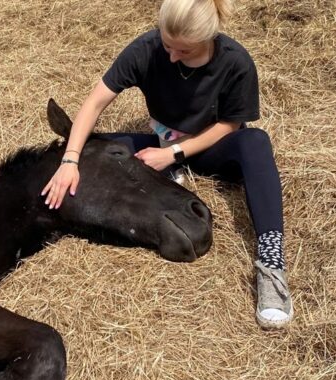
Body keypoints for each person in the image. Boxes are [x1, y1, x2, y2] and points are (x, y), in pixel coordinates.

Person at [41, 0, 292, 328]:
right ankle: (82, 141)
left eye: (183, 51)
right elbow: (96, 101)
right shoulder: (146, 48)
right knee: (101, 150)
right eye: (167, 45)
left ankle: (272, 265)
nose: (172, 56)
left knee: (256, 142)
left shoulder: (236, 62)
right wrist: (70, 159)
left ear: (207, 41)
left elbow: (229, 124)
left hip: (212, 148)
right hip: (161, 143)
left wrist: (174, 155)